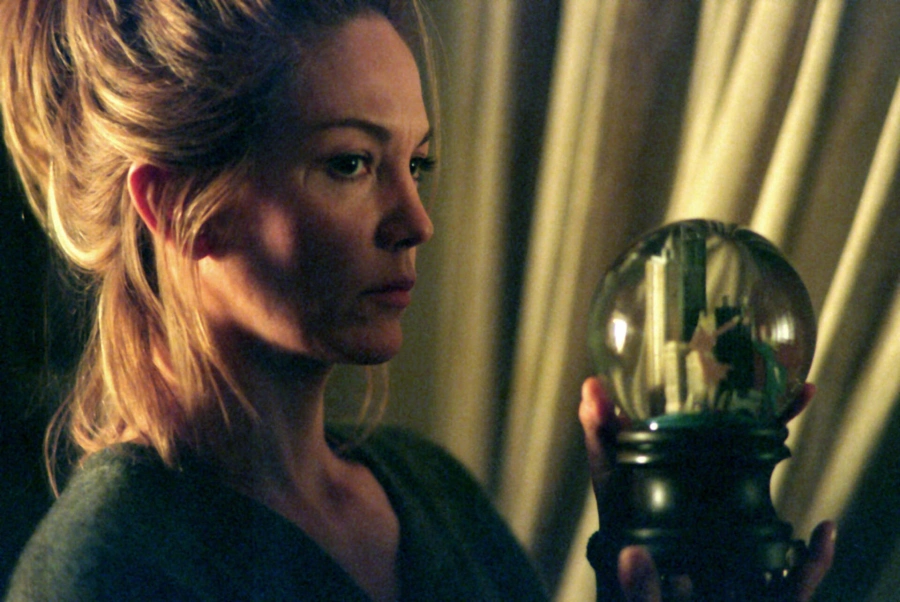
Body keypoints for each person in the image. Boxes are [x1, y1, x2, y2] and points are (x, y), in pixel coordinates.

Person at [0, 1, 833, 600]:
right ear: (177, 206)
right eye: (350, 164)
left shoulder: (436, 497)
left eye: (417, 163)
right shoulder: (107, 570)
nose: (416, 221)